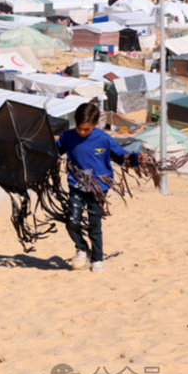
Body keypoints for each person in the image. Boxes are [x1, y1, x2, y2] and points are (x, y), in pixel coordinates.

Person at [57, 101, 145, 274]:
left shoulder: (104, 139)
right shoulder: (67, 137)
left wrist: (136, 159)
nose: (82, 132)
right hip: (76, 185)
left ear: (96, 124)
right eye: (80, 128)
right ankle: (82, 248)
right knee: (71, 221)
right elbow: (53, 151)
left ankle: (97, 259)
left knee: (94, 224)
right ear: (74, 121)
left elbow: (122, 157)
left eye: (87, 129)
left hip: (99, 187)